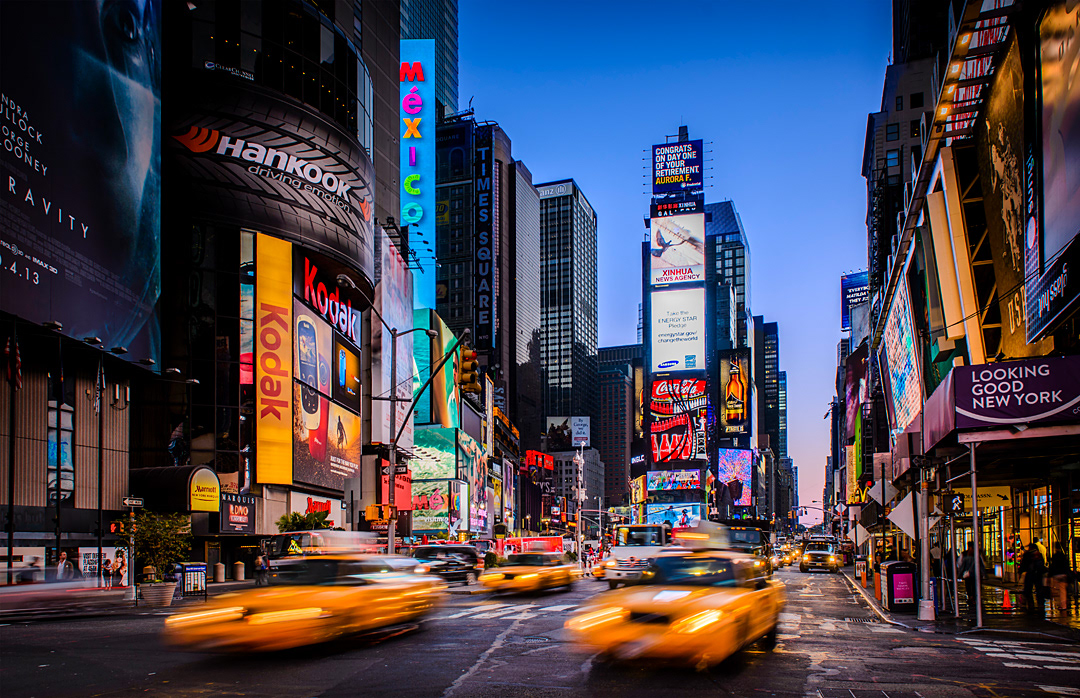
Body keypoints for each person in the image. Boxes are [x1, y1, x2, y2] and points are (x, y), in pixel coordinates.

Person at [1019, 542, 1046, 613]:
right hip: (1038, 574)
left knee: (1028, 589)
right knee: (1039, 589)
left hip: (1030, 573)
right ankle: (1040, 603)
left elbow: (1024, 564)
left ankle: (1030, 603)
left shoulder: (1027, 554)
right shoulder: (1039, 554)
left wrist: (1021, 571)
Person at [957, 543, 983, 614]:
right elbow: (982, 563)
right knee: (975, 585)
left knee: (968, 585)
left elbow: (960, 563)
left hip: (968, 573)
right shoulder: (977, 554)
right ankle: (974, 597)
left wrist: (960, 572)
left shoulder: (964, 554)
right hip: (975, 573)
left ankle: (970, 596)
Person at [1048, 544, 1072, 613]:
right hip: (1063, 574)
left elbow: (1052, 566)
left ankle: (1061, 604)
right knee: (1063, 590)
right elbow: (1067, 566)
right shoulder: (1064, 557)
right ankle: (1064, 604)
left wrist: (1049, 576)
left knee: (1057, 590)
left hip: (1057, 575)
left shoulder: (1055, 557)